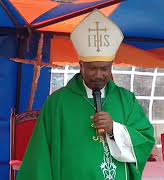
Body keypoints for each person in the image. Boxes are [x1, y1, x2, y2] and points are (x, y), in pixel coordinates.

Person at [17, 10, 155, 180]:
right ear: (81, 65)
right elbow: (39, 158)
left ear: (111, 65)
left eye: (104, 68)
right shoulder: (58, 102)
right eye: (92, 68)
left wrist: (115, 129)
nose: (98, 75)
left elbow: (146, 139)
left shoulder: (126, 101)